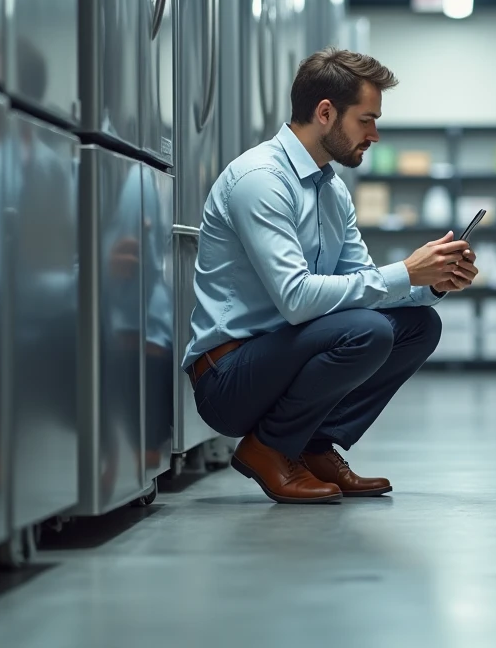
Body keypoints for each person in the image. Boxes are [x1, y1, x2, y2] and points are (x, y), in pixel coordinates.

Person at [181, 48, 478, 504]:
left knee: (419, 326)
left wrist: (431, 281)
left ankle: (314, 446)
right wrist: (405, 271)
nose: (374, 134)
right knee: (367, 330)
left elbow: (363, 283)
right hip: (229, 377)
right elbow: (297, 299)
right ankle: (269, 448)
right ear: (325, 113)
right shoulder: (261, 179)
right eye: (366, 120)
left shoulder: (332, 191)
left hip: (284, 356)